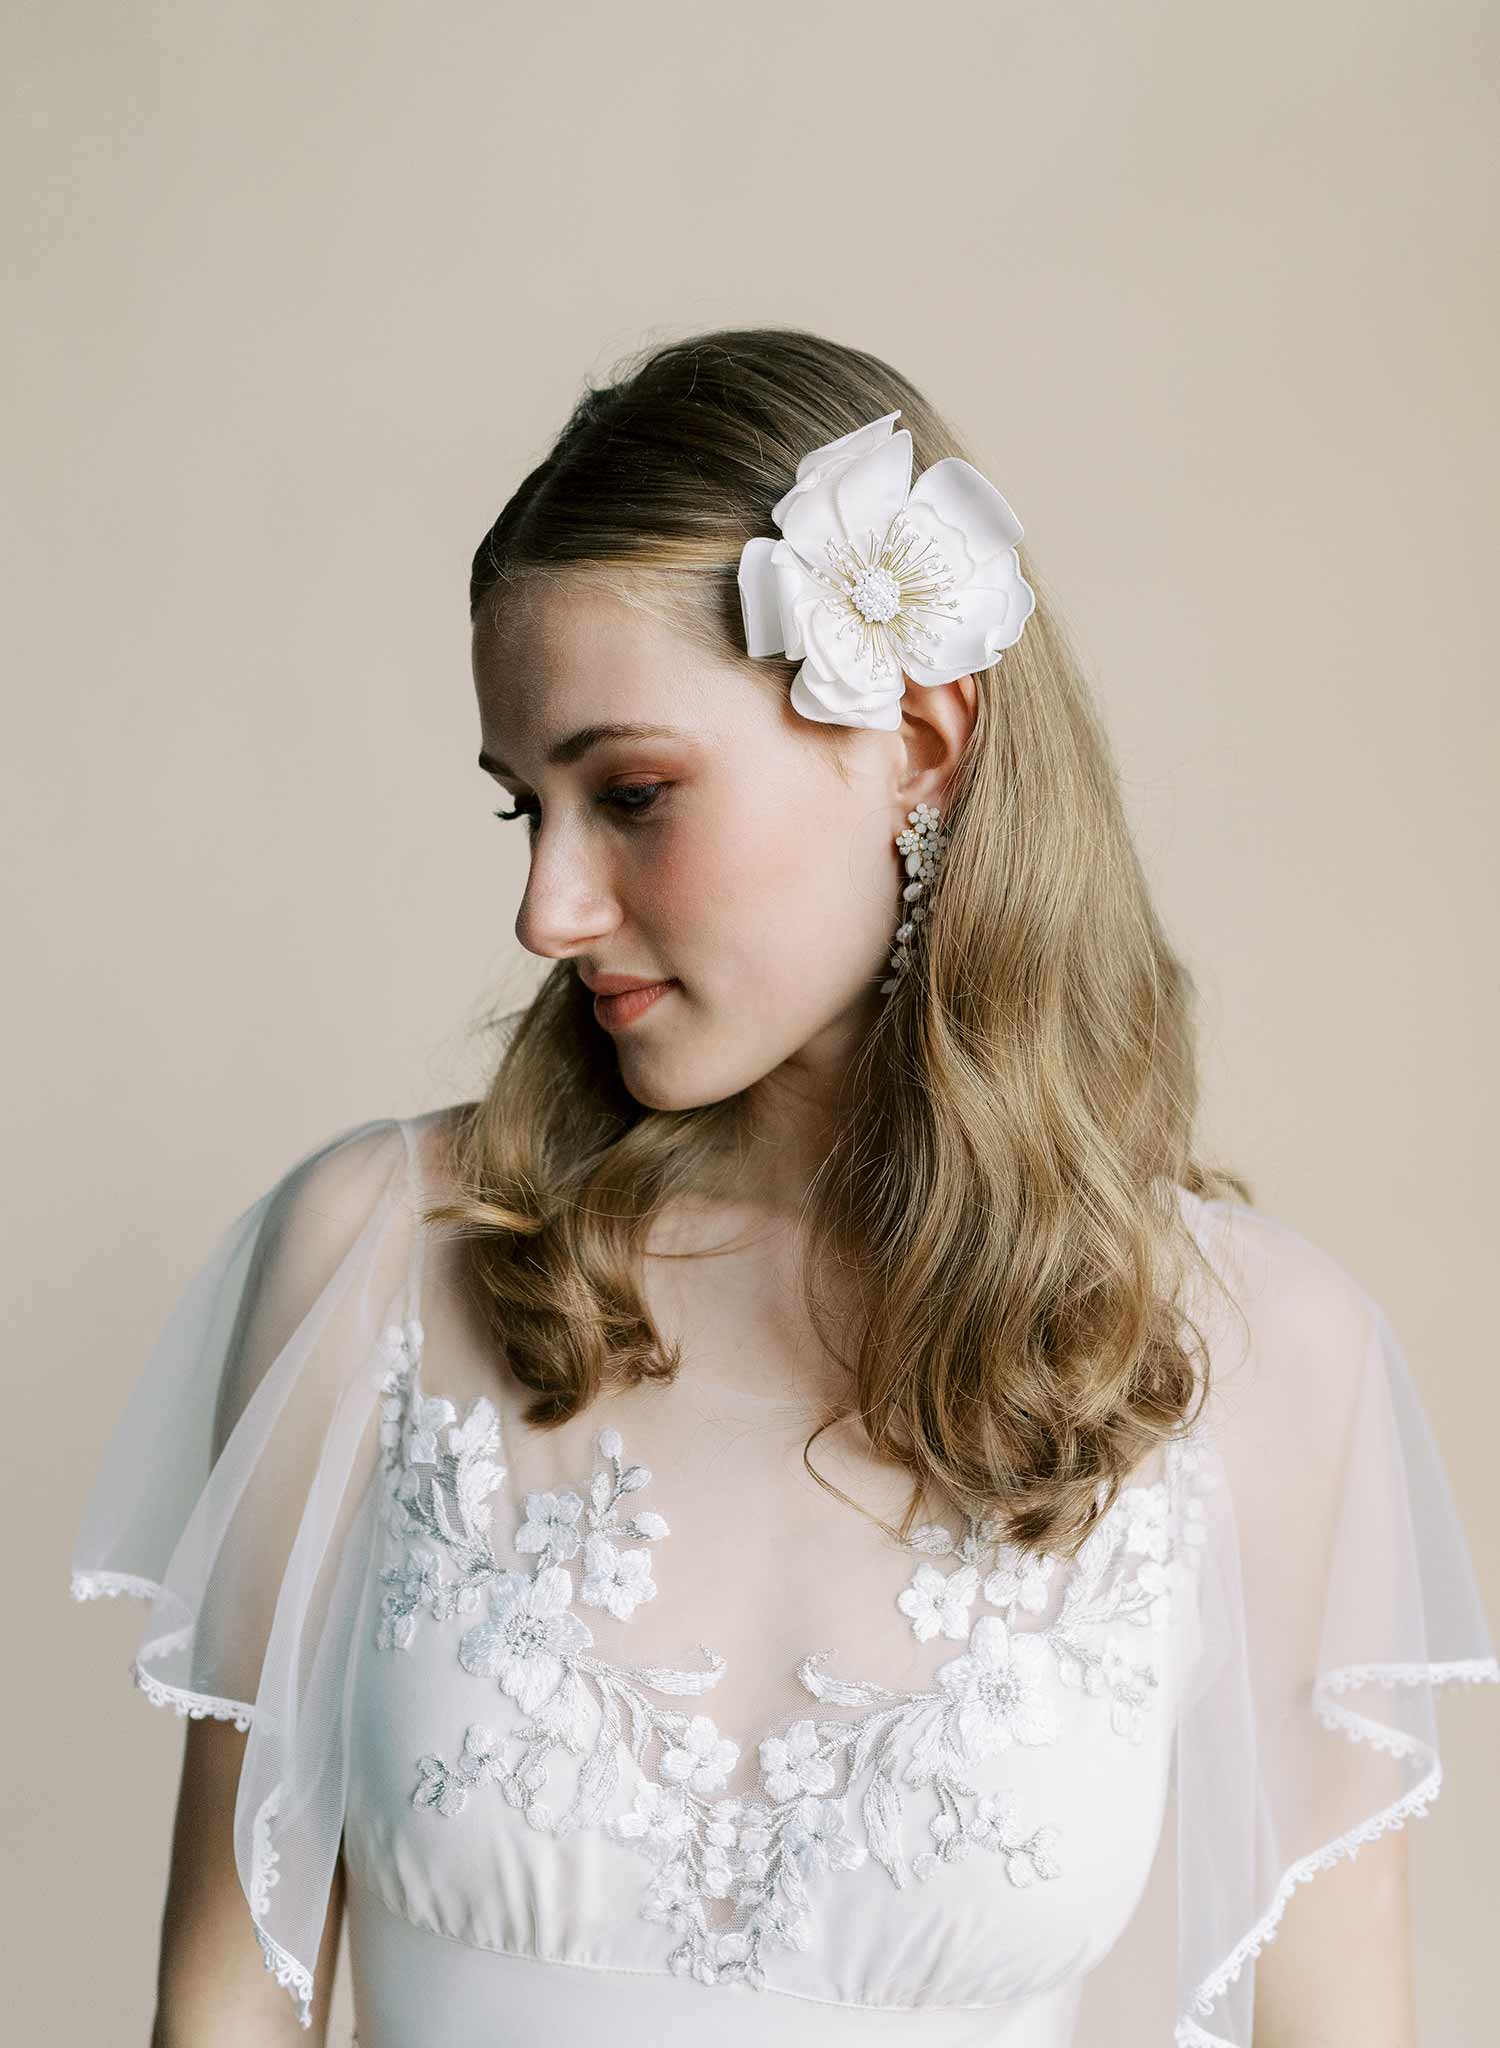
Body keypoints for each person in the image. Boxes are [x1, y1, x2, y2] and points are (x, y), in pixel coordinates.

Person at [71, 327, 1496, 2048]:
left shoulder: (1266, 1352)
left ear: (921, 735)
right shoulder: (377, 1261)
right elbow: (223, 2006)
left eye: (633, 795)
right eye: (523, 808)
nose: (548, 908)